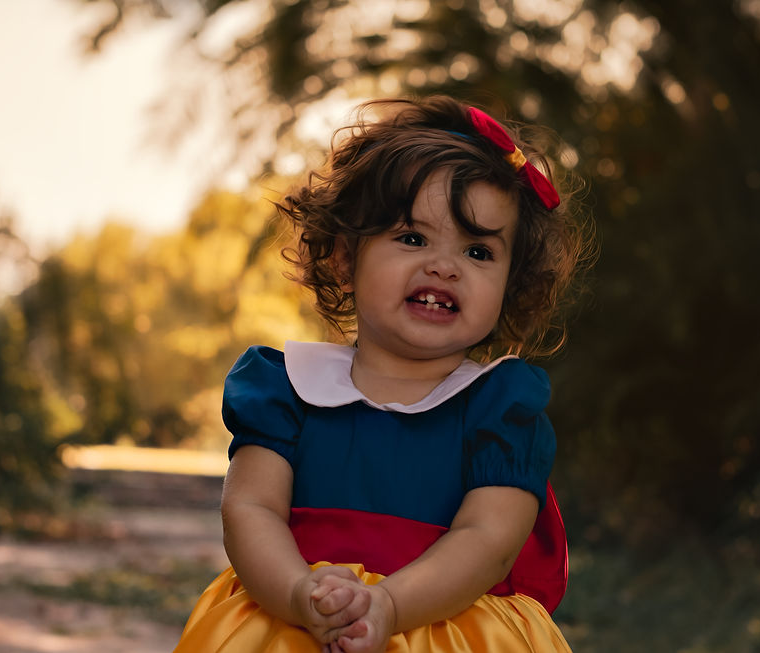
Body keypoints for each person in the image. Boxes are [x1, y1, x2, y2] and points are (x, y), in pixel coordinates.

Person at [174, 95, 590, 653]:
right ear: (346, 258)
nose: (444, 265)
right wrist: (299, 593)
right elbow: (250, 509)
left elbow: (488, 540)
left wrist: (388, 605)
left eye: (478, 252)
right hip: (296, 617)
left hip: (446, 629)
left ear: (510, 284)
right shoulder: (288, 389)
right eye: (412, 238)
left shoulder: (501, 409)